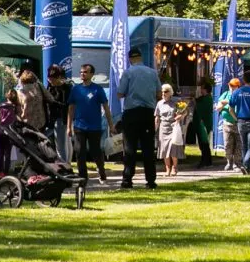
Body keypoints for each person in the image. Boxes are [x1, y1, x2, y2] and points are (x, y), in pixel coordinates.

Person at [115, 47, 160, 189]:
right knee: (148, 148)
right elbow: (159, 94)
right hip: (147, 113)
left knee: (129, 148)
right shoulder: (152, 73)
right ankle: (151, 180)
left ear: (130, 59)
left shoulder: (128, 72)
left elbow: (120, 93)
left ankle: (127, 180)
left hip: (131, 113)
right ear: (140, 57)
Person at [67, 63, 113, 183]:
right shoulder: (76, 89)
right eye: (81, 72)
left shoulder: (98, 89)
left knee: (96, 152)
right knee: (79, 151)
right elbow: (71, 108)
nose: (82, 74)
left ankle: (101, 172)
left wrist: (111, 125)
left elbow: (106, 107)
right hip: (79, 126)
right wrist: (69, 126)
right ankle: (83, 177)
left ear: (92, 74)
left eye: (85, 72)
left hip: (95, 126)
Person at [155, 83, 185, 176]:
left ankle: (174, 167)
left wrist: (180, 116)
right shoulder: (159, 103)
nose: (163, 93)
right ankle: (167, 168)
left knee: (173, 148)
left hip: (173, 126)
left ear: (170, 92)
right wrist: (155, 128)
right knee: (164, 149)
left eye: (166, 91)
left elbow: (185, 111)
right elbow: (157, 117)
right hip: (163, 128)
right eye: (162, 92)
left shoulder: (176, 101)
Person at [45, 64, 72, 162]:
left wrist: (52, 101)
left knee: (61, 145)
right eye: (49, 79)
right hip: (53, 118)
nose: (51, 82)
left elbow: (66, 105)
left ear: (59, 77)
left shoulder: (66, 88)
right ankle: (67, 164)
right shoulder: (50, 87)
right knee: (64, 143)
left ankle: (64, 164)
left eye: (53, 80)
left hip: (61, 118)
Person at [215, 79, 241, 171]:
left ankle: (236, 164)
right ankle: (229, 162)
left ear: (238, 86)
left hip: (238, 123)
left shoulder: (240, 95)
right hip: (227, 123)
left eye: (234, 86)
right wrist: (223, 104)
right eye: (230, 85)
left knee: (238, 145)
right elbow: (218, 108)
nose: (232, 87)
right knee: (227, 144)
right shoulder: (225, 94)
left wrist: (227, 102)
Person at [188, 80, 214, 169]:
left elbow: (201, 108)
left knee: (204, 143)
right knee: (203, 144)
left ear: (206, 89)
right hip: (201, 123)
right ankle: (208, 161)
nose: (201, 90)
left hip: (203, 124)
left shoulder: (207, 99)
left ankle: (205, 161)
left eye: (202, 88)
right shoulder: (204, 98)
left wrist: (195, 102)